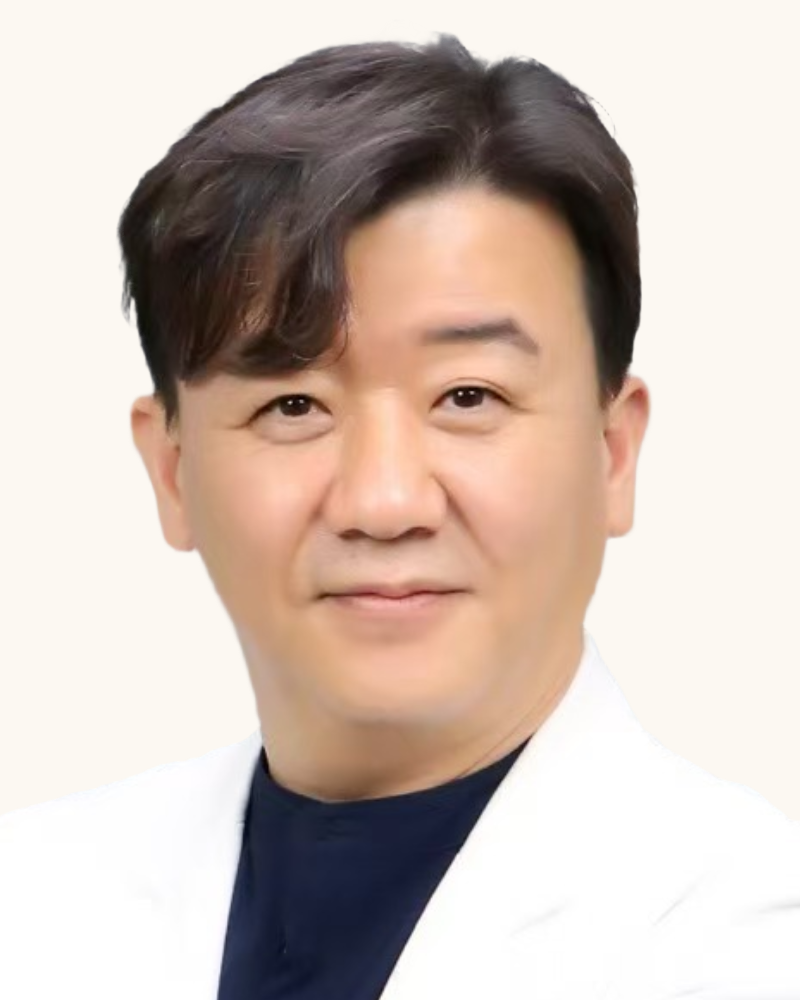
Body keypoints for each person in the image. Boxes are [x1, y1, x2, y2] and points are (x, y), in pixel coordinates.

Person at [1, 33, 798, 1000]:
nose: (383, 502)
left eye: (468, 396)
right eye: (293, 405)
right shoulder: (33, 903)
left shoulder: (747, 944)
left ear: (613, 451)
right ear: (171, 471)